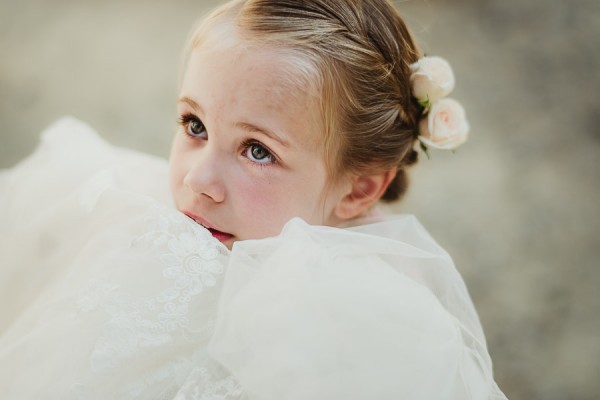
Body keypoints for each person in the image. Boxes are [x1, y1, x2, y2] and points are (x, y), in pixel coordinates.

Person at [0, 0, 506, 399]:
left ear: (359, 189)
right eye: (194, 125)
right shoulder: (131, 216)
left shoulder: (368, 326)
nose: (199, 180)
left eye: (257, 151)